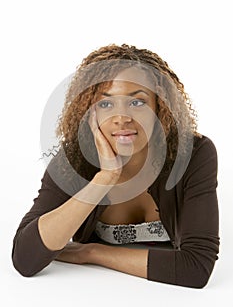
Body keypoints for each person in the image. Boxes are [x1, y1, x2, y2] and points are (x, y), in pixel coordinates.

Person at [12, 44, 219, 288]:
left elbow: (195, 268)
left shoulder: (194, 153)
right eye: (106, 104)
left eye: (137, 102)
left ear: (160, 107)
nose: (122, 118)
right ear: (89, 112)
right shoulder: (74, 159)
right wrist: (105, 177)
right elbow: (25, 258)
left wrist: (90, 253)